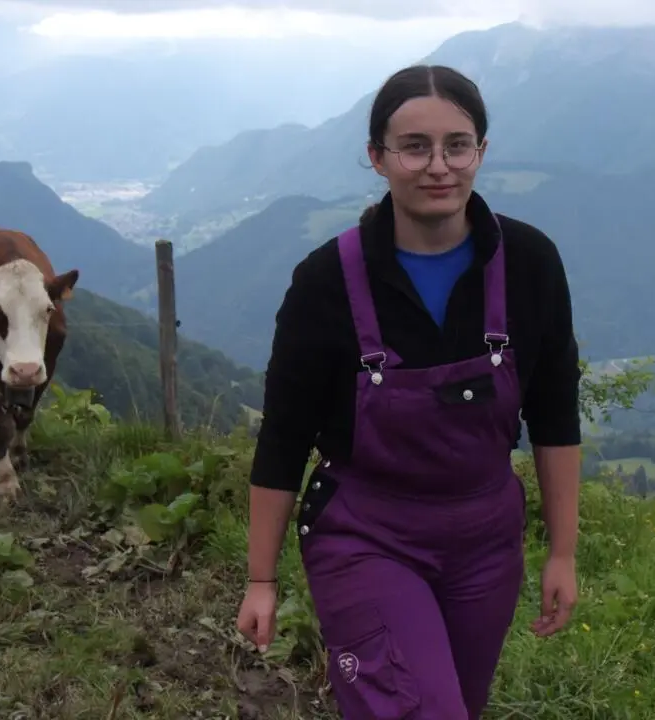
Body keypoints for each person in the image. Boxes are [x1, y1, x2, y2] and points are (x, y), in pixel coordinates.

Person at [235, 64, 583, 720]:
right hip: (366, 534)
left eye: (458, 144)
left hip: (486, 542)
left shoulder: (531, 265)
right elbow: (282, 438)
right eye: (414, 147)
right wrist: (261, 579)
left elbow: (556, 414)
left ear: (482, 151)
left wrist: (561, 551)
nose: (438, 166)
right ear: (377, 158)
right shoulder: (326, 283)